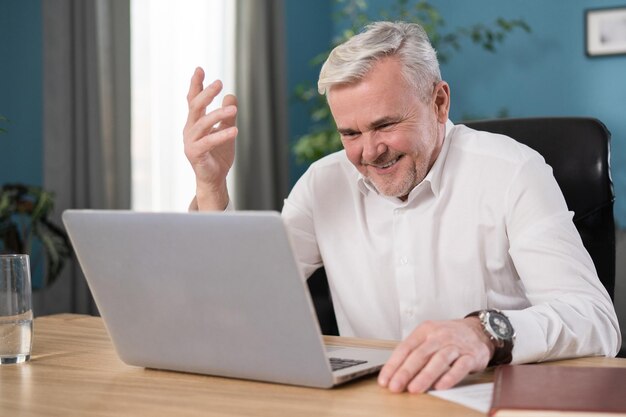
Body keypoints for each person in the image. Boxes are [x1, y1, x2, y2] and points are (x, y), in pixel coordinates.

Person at [183, 21, 621, 393]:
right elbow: (239, 297)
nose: (369, 152)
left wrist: (483, 332)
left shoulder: (513, 171)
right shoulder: (324, 183)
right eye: (349, 133)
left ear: (439, 101)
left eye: (386, 125)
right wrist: (210, 185)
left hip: (486, 396)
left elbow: (596, 320)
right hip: (371, 402)